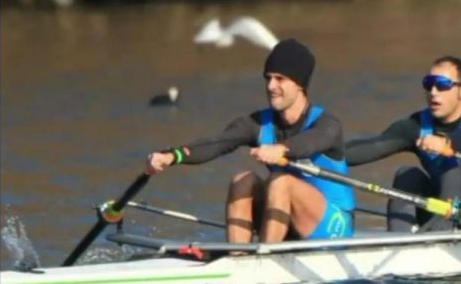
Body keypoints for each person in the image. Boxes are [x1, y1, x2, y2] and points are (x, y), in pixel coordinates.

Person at [144, 38, 355, 242]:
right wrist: (172, 155)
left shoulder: (326, 123)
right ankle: (238, 256)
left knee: (280, 181)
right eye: (268, 78)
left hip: (333, 224)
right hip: (284, 219)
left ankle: (265, 257)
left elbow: (312, 141)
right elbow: (216, 143)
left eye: (280, 79)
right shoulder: (258, 123)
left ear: (300, 84)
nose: (270, 86)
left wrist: (281, 149)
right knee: (243, 180)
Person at [345, 56, 461, 232]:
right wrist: (332, 155)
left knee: (453, 173)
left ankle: (439, 231)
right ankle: (399, 237)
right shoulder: (417, 126)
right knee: (407, 175)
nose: (433, 92)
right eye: (428, 84)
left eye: (442, 85)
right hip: (451, 208)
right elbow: (373, 147)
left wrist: (447, 143)